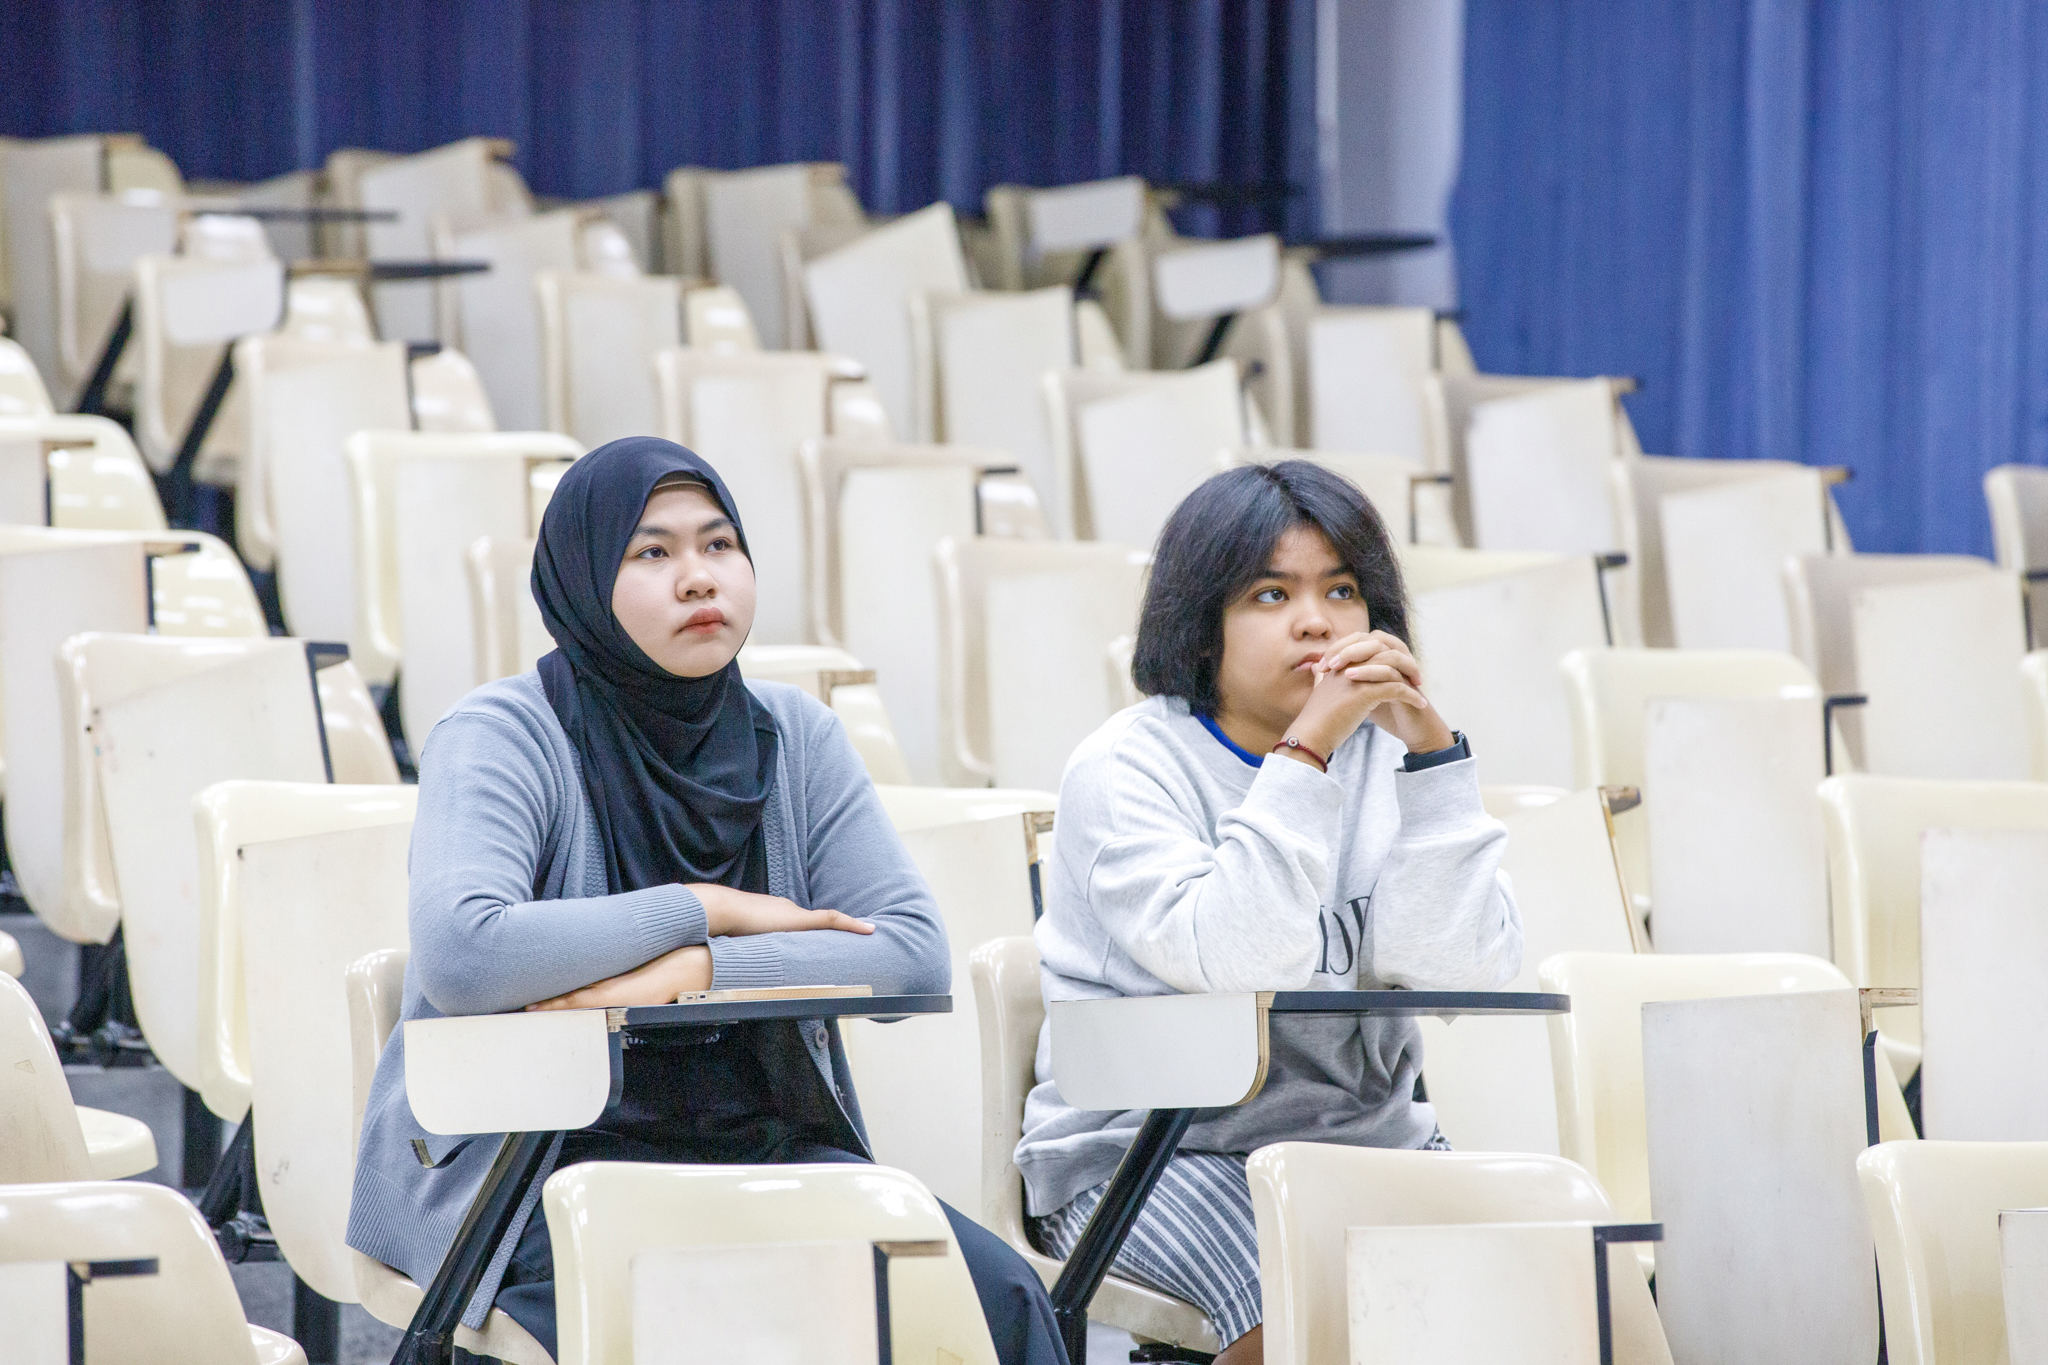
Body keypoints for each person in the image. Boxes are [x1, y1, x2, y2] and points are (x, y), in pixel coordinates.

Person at [346, 437, 1066, 1365]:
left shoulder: (795, 735)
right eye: (652, 551)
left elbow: (909, 956)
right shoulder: (501, 732)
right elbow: (465, 954)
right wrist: (699, 905)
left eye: (719, 544)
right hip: (536, 1175)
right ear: (582, 580)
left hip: (762, 1149)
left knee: (998, 1299)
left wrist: (698, 969)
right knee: (724, 1324)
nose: (698, 577)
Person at [1018, 461, 1523, 1365]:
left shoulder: (1392, 759)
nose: (1316, 621)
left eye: (1342, 590)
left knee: (1544, 1292)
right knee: (1306, 1302)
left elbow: (1467, 974)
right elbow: (1238, 960)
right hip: (1153, 1154)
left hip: (1368, 1142)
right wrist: (1307, 751)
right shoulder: (1127, 769)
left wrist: (1434, 759)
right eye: (1270, 593)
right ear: (1200, 621)